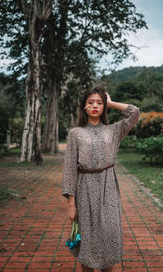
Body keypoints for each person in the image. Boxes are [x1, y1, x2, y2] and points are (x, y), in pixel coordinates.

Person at [62, 86, 140, 272]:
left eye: (99, 102)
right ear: (84, 107)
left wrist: (111, 103)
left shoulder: (114, 131)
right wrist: (71, 203)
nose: (95, 106)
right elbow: (70, 168)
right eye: (90, 102)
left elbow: (134, 113)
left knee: (109, 234)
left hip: (108, 187)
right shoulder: (76, 133)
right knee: (87, 237)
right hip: (84, 188)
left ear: (104, 107)